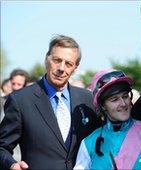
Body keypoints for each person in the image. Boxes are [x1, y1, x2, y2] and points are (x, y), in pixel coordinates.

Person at [0, 35, 101, 170]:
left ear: (75, 68)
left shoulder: (87, 99)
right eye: (57, 60)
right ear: (46, 59)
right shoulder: (21, 100)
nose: (61, 68)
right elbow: (2, 147)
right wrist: (12, 164)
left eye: (68, 64)